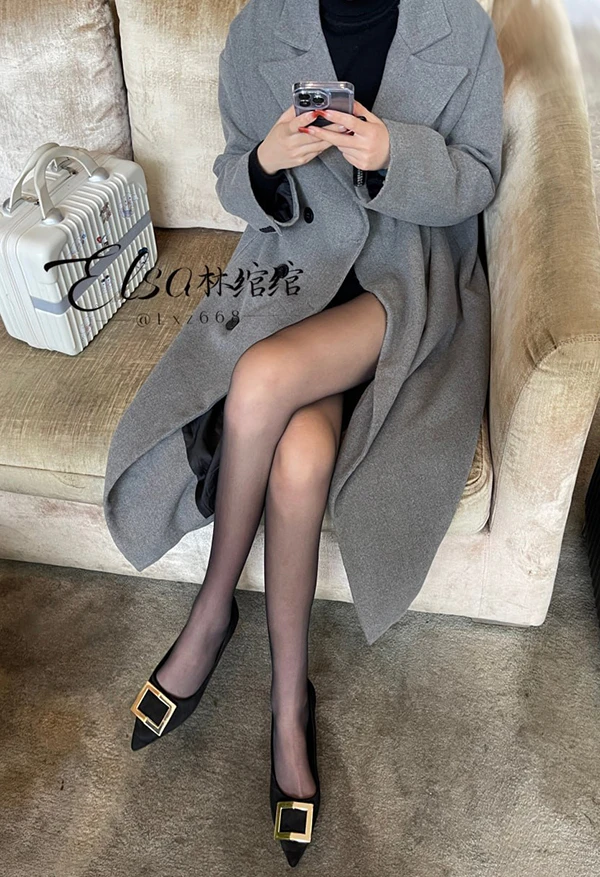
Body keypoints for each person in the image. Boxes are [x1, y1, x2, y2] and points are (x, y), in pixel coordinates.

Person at [128, 0, 501, 866]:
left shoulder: (461, 24)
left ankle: (210, 614)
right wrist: (266, 162)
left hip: (406, 284)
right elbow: (233, 180)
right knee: (297, 459)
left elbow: (480, 179)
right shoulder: (260, 28)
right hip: (297, 277)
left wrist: (390, 154)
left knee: (260, 378)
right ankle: (288, 701)